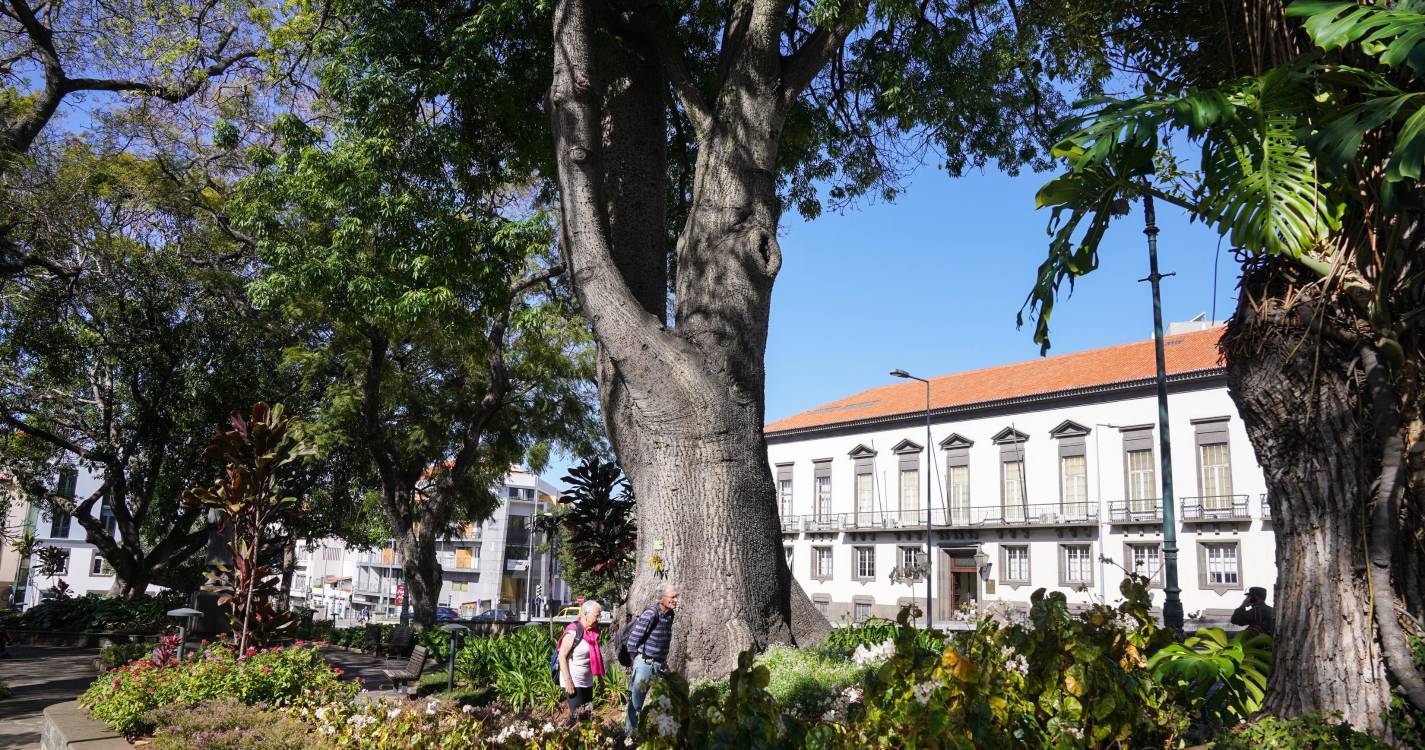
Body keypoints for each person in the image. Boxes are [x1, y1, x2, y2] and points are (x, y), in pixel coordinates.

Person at [624, 585, 678, 740]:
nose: (675, 600)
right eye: (672, 597)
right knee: (636, 704)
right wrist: (638, 663)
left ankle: (663, 736)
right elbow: (632, 642)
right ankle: (629, 738)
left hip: (660, 664)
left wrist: (664, 661)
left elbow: (663, 641)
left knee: (667, 698)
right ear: (661, 599)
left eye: (676, 597)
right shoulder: (650, 614)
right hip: (645, 664)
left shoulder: (670, 615)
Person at [558, 600, 604, 726]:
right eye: (596, 616)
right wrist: (568, 682)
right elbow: (561, 656)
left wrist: (600, 680)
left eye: (599, 615)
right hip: (573, 680)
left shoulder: (594, 632)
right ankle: (563, 738)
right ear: (585, 614)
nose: (599, 619)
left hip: (587, 681)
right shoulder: (573, 631)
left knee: (586, 716)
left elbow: (596, 658)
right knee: (578, 717)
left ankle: (569, 735)